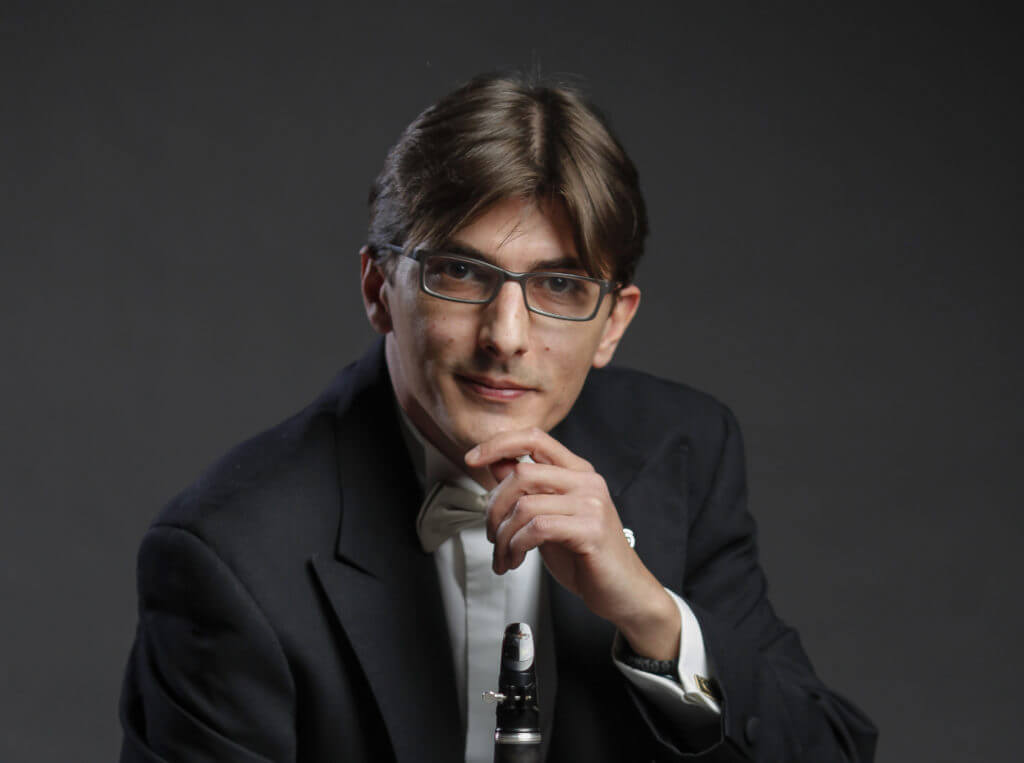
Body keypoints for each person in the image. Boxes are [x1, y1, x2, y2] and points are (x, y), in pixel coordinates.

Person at [118, 73, 877, 762]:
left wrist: (652, 617)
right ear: (379, 290)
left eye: (560, 285)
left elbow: (830, 750)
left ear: (613, 323)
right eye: (458, 272)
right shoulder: (230, 553)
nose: (506, 336)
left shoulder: (684, 452)